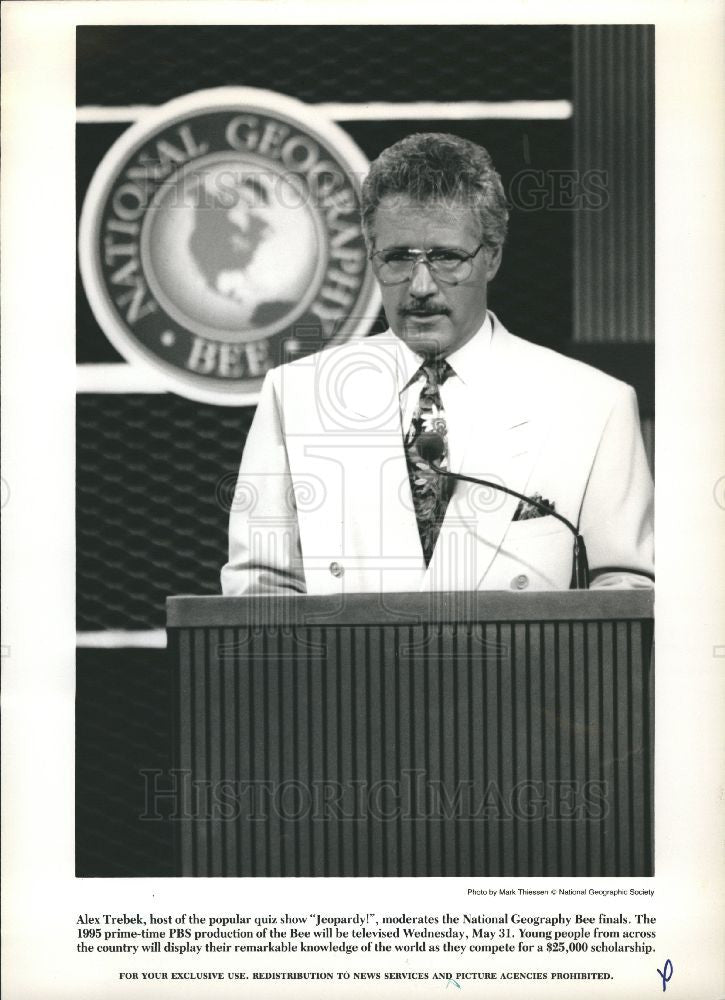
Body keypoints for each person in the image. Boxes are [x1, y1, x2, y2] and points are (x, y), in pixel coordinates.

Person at [221, 133, 653, 595]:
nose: (421, 285)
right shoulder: (298, 396)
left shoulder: (592, 403)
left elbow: (623, 590)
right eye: (398, 259)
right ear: (372, 260)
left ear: (492, 258)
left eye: (446, 258)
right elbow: (261, 589)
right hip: (350, 669)